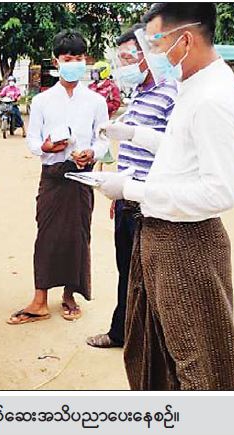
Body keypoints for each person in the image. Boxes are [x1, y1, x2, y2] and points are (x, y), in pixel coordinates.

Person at [97, 3, 234, 390]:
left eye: (155, 43)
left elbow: (218, 191)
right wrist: (136, 135)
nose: (151, 54)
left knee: (199, 363)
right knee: (158, 350)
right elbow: (183, 150)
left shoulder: (213, 97)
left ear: (185, 40)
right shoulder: (193, 85)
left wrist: (130, 189)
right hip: (164, 236)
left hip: (188, 245)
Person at [7, 29, 109, 325]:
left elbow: (103, 140)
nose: (73, 63)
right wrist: (46, 147)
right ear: (56, 61)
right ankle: (39, 299)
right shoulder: (43, 101)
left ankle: (70, 294)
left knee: (78, 235)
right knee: (47, 236)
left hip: (81, 176)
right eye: (67, 58)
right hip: (52, 176)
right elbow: (32, 139)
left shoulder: (95, 101)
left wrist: (91, 152)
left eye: (78, 57)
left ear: (85, 60)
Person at [86, 24, 178, 349]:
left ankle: (152, 341)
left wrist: (135, 190)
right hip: (126, 196)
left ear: (147, 55)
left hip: (149, 200)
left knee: (149, 274)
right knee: (126, 269)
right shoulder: (139, 93)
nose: (123, 65)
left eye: (128, 57)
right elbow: (132, 149)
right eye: (121, 58)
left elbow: (174, 150)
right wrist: (119, 190)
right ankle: (122, 332)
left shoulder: (171, 94)